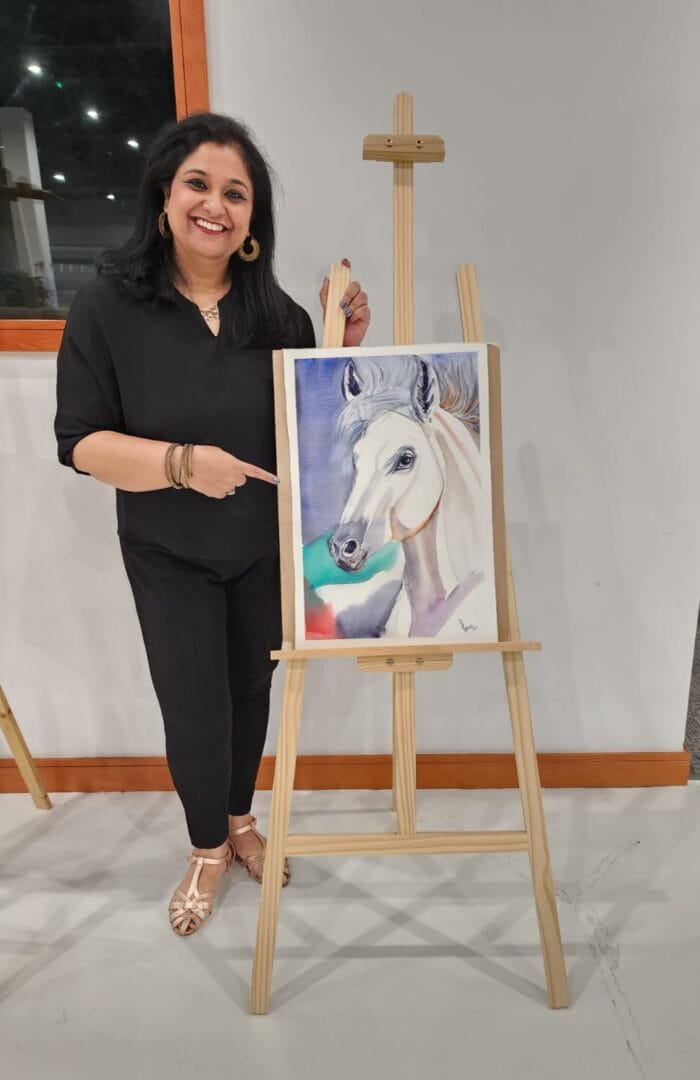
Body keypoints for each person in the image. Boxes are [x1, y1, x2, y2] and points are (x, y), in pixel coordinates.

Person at [54, 111, 370, 936]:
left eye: (237, 193)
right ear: (164, 196)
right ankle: (204, 848)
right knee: (195, 704)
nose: (215, 206)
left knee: (250, 690)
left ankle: (239, 822)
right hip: (168, 551)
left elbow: (316, 436)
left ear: (252, 218)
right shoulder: (107, 307)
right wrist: (182, 463)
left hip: (262, 548)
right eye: (199, 184)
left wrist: (343, 347)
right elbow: (80, 442)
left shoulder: (279, 317)